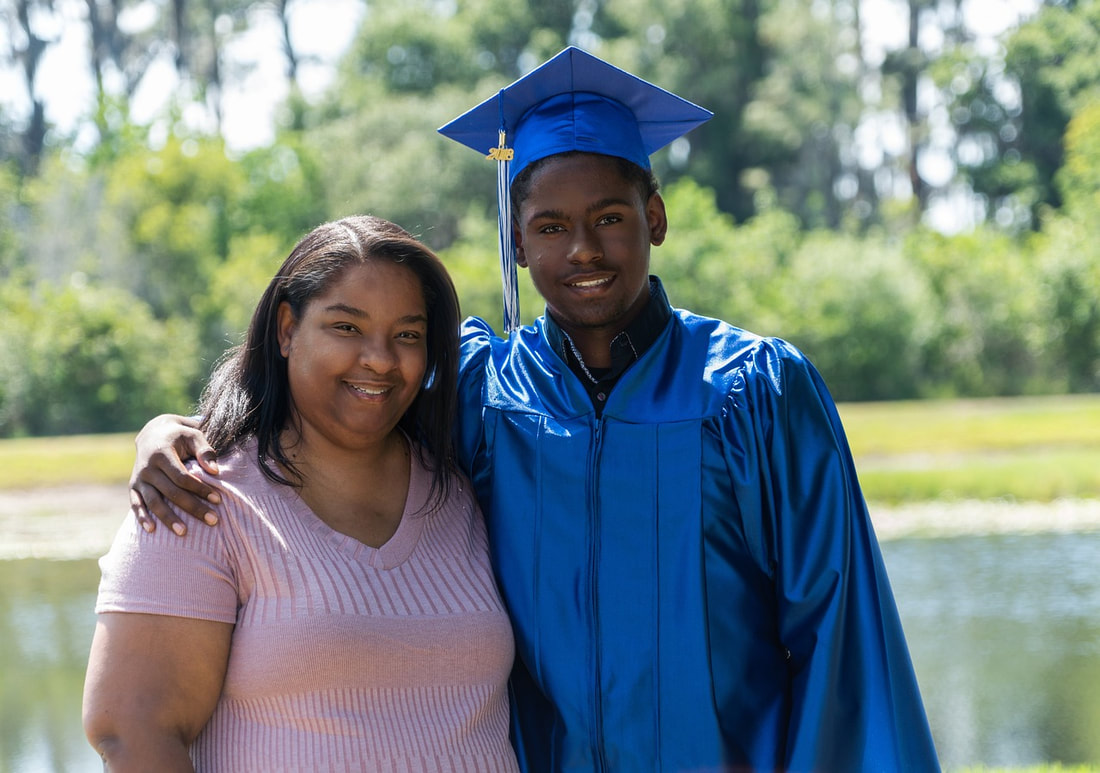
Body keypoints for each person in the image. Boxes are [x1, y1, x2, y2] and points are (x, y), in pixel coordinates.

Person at [126, 48, 940, 771]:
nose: (582, 250)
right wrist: (177, 430)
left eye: (610, 219)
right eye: (550, 226)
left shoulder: (753, 391)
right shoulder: (482, 391)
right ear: (517, 242)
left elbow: (838, 635)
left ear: (654, 217)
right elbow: (338, 393)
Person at [83, 215, 519, 772]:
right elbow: (132, 730)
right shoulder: (200, 495)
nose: (381, 359)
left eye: (407, 335)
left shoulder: (457, 488)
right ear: (287, 329)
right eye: (347, 328)